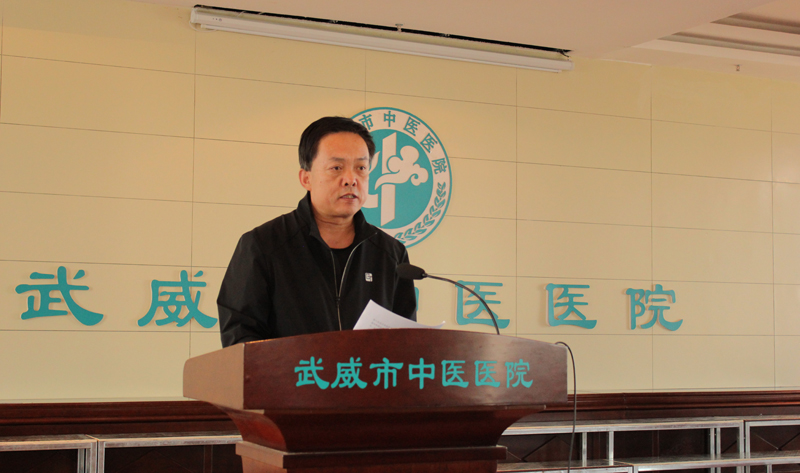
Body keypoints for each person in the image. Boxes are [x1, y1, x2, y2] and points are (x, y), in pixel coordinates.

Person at [217, 116, 417, 347]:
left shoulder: (390, 253)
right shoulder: (264, 245)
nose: (351, 179)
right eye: (336, 168)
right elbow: (239, 337)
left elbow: (406, 341)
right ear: (306, 178)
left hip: (366, 372)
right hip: (296, 371)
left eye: (361, 168)